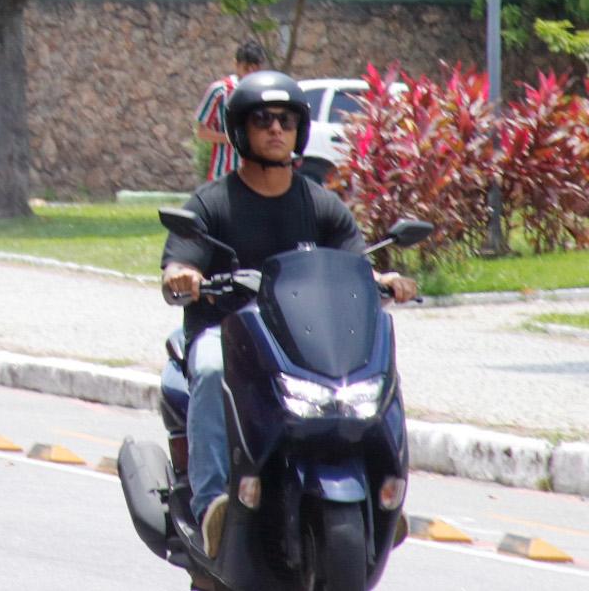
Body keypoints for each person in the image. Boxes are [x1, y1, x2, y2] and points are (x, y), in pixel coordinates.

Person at [160, 70, 419, 561]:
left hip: (298, 341)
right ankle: (212, 503)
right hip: (228, 332)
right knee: (213, 368)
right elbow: (182, 255)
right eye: (262, 120)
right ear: (241, 130)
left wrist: (383, 280)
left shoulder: (322, 205)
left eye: (285, 120)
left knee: (379, 364)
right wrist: (182, 274)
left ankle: (386, 485)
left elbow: (355, 263)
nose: (276, 129)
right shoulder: (212, 203)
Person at [193, 41, 267, 183]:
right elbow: (202, 132)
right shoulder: (220, 91)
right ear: (236, 64)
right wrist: (232, 138)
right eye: (246, 68)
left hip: (256, 174)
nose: (250, 74)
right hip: (223, 172)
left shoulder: (266, 92)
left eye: (255, 69)